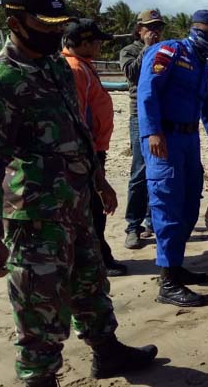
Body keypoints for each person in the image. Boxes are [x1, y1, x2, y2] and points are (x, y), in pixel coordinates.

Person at [0, 0, 157, 386]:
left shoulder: (54, 67)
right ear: (15, 21)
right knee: (39, 305)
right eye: (45, 23)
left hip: (77, 202)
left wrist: (99, 181)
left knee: (90, 285)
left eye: (57, 23)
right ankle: (39, 377)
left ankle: (108, 352)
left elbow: (77, 131)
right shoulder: (1, 81)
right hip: (35, 217)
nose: (54, 31)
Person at [138, 9, 208, 307]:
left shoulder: (205, 68)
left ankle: (175, 267)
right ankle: (168, 282)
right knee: (168, 205)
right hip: (164, 140)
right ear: (193, 29)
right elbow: (147, 91)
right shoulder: (169, 51)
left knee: (189, 204)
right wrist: (152, 132)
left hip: (189, 141)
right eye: (207, 32)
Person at [62, 18, 128, 276]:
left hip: (94, 148)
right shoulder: (75, 69)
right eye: (98, 41)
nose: (101, 45)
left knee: (94, 208)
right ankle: (98, 260)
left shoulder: (83, 66)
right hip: (86, 151)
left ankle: (100, 256)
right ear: (85, 42)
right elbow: (78, 117)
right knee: (93, 208)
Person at [119, 9, 164, 249]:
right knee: (140, 170)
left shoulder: (165, 50)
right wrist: (147, 48)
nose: (155, 32)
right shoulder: (130, 51)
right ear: (140, 29)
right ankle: (132, 226)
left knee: (159, 170)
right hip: (140, 118)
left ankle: (152, 220)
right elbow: (132, 74)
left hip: (162, 116)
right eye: (150, 27)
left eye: (158, 28)